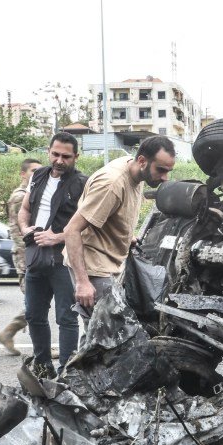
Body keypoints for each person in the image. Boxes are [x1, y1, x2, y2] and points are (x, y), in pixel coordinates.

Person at [64, 135, 174, 321]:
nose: (165, 178)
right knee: (109, 331)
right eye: (161, 170)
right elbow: (71, 230)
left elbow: (113, 213)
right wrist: (82, 282)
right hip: (93, 267)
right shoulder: (112, 184)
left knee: (100, 330)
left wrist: (125, 236)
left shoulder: (134, 170)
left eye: (168, 171)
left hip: (108, 262)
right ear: (142, 161)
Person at [18, 133, 86, 377]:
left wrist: (56, 237)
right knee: (33, 315)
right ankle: (43, 367)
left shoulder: (82, 184)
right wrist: (25, 228)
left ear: (76, 157)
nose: (59, 160)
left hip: (64, 260)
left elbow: (88, 225)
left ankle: (66, 373)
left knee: (66, 318)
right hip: (36, 256)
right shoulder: (38, 176)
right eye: (55, 154)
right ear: (48, 151)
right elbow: (25, 209)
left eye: (66, 156)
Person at [0, 157, 43, 355]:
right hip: (26, 256)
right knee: (35, 302)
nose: (37, 175)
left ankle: (12, 334)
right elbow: (19, 232)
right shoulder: (20, 197)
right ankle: (11, 333)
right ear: (23, 174)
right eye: (33, 171)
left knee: (37, 301)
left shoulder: (32, 194)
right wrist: (31, 257)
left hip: (31, 254)